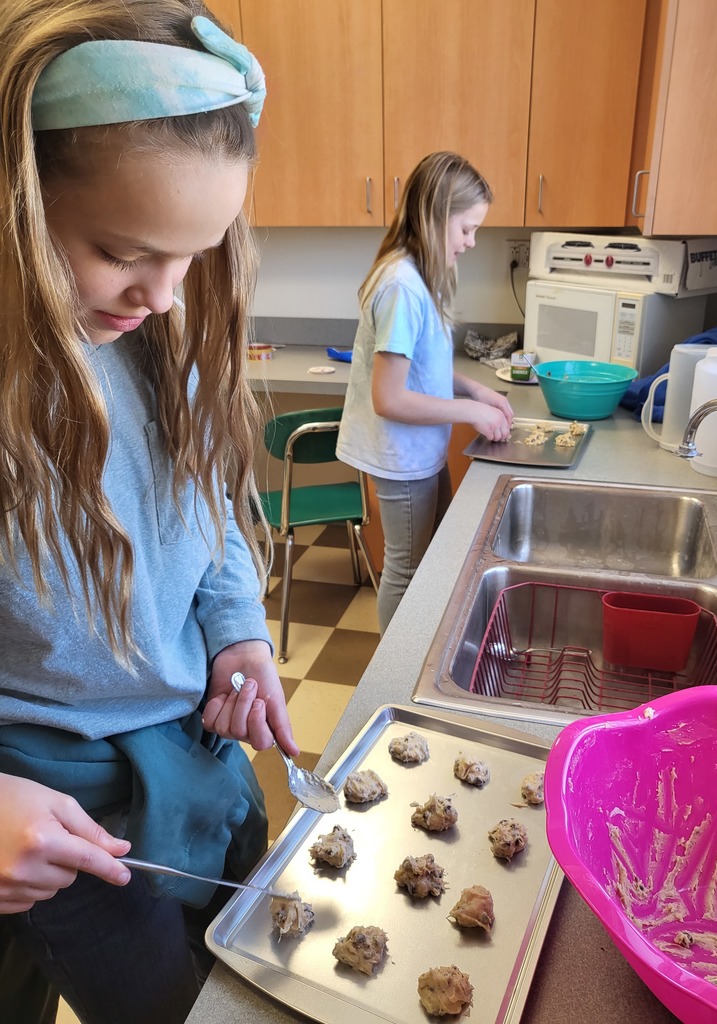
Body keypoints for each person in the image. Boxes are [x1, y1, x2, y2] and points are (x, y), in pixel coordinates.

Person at [0, 2, 299, 1021]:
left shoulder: (158, 340)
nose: (165, 295)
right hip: (54, 800)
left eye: (194, 256)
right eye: (124, 250)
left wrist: (236, 629)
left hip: (189, 755)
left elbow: (206, 505)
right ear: (20, 197)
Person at [336, 152, 515, 633]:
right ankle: (394, 667)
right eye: (467, 229)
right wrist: (468, 411)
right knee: (406, 569)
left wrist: (475, 388)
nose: (471, 242)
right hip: (402, 456)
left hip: (419, 450)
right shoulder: (402, 286)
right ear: (436, 217)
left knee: (429, 555)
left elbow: (424, 368)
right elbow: (389, 398)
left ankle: (415, 650)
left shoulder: (419, 277)